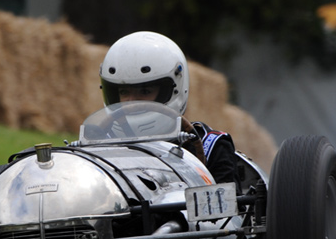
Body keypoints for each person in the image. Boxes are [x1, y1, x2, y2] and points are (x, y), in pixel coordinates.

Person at [99, 31, 238, 186]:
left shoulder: (210, 147)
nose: (131, 103)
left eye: (145, 91)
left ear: (174, 89)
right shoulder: (100, 146)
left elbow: (226, 207)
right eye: (123, 92)